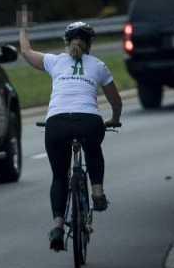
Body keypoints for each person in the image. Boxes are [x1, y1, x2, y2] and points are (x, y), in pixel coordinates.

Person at [19, 18, 123, 251]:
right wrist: (115, 118)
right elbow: (115, 100)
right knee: (93, 150)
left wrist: (23, 25)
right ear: (90, 44)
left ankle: (57, 225)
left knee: (59, 176)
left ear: (66, 42)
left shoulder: (55, 61)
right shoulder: (98, 65)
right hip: (89, 121)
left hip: (57, 123)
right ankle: (97, 192)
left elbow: (25, 51)